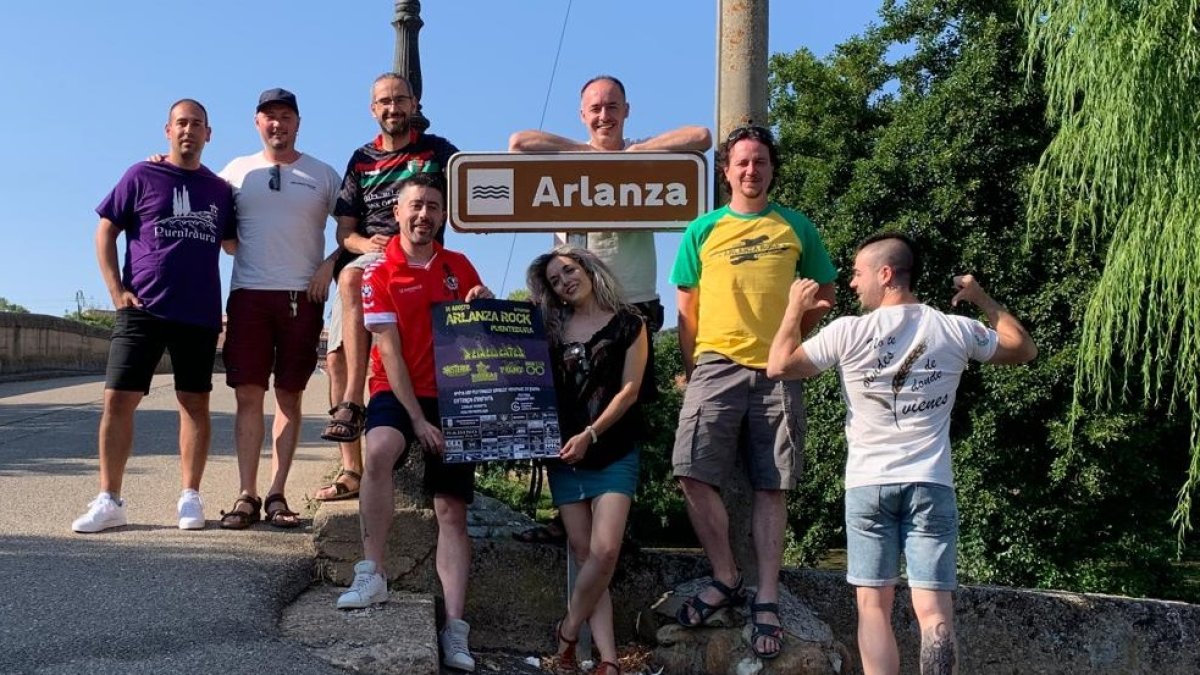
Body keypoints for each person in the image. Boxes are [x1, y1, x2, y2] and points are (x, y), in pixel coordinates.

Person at [767, 234, 1036, 675]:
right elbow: (1023, 349)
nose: (851, 284)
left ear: (885, 274)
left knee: (873, 606)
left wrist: (795, 309)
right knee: (935, 611)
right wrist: (982, 298)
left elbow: (778, 365)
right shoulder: (955, 328)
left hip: (868, 485)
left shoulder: (847, 331)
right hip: (930, 483)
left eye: (856, 273)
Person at [509, 74, 710, 544]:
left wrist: (629, 157)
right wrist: (589, 156)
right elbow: (519, 141)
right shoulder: (566, 158)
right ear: (583, 114)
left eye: (613, 106)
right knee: (563, 403)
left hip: (631, 307)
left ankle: (619, 516)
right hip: (569, 305)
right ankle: (565, 514)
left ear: (627, 110)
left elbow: (700, 137)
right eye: (595, 108)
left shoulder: (645, 156)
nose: (605, 115)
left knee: (627, 410)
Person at [669, 125, 836, 659]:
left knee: (773, 485)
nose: (751, 170)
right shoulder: (703, 230)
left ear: (771, 168)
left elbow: (826, 294)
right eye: (741, 162)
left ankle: (767, 596)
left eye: (760, 161)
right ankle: (725, 576)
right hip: (714, 363)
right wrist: (692, 364)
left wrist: (790, 339)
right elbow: (686, 306)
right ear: (726, 170)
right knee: (690, 470)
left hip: (778, 370)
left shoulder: (797, 227)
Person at [333, 174, 492, 674]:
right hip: (398, 391)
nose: (424, 214)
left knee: (451, 511)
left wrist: (484, 304)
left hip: (455, 394)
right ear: (398, 214)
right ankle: (372, 572)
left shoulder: (459, 266)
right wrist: (420, 421)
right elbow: (389, 353)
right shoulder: (379, 271)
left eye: (433, 207)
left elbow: (482, 336)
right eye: (415, 206)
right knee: (378, 449)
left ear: (443, 215)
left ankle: (456, 628)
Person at [73, 99, 236, 533]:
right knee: (118, 400)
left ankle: (190, 497)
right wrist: (115, 291)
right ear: (168, 130)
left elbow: (236, 243)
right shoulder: (142, 174)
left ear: (208, 134)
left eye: (197, 124)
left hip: (198, 312)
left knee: (195, 403)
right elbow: (106, 229)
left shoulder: (220, 189)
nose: (189, 130)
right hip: (141, 307)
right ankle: (109, 499)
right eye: (181, 123)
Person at [316, 72, 459, 504]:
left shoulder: (437, 151)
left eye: (400, 100)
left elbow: (478, 190)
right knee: (337, 354)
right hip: (370, 254)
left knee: (350, 277)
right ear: (372, 109)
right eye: (384, 102)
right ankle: (350, 463)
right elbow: (345, 231)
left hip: (419, 256)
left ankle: (356, 406)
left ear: (415, 104)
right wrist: (364, 245)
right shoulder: (360, 159)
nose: (392, 108)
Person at [213, 88, 341, 529]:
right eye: (269, 117)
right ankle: (246, 494)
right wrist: (160, 163)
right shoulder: (234, 172)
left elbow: (351, 229)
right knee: (248, 396)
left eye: (285, 116)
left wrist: (328, 266)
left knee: (290, 395)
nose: (277, 124)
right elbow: (205, 211)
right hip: (249, 293)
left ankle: (277, 493)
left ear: (297, 123)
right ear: (257, 123)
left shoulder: (323, 174)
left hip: (302, 297)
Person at [526, 246, 649, 675]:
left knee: (605, 551)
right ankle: (609, 661)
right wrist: (482, 299)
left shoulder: (630, 323)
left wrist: (592, 433)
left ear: (589, 269)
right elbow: (502, 343)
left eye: (569, 271)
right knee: (584, 554)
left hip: (613, 450)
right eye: (556, 281)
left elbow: (630, 390)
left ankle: (567, 633)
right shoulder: (550, 330)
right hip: (562, 455)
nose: (564, 282)